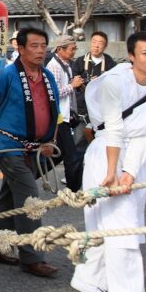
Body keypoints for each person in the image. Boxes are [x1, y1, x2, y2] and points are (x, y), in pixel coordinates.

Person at [70, 32, 146, 292]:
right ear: (132, 56)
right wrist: (113, 173)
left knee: (124, 220)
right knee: (117, 223)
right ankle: (121, 290)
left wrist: (130, 172)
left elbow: (145, 135)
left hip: (134, 157)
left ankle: (88, 278)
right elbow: (113, 129)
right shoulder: (114, 81)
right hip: (106, 152)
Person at [0, 27, 60, 278]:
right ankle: (32, 257)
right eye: (34, 46)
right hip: (7, 146)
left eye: (43, 46)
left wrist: (50, 140)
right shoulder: (7, 76)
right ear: (20, 48)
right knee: (29, 197)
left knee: (9, 198)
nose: (40, 51)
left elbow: (54, 114)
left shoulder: (48, 77)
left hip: (33, 147)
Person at [46, 35, 84, 190]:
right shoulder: (54, 66)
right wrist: (72, 86)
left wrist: (75, 85)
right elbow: (52, 94)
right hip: (58, 117)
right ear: (60, 49)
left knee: (61, 154)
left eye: (75, 48)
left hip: (65, 116)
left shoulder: (66, 65)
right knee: (72, 156)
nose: (74, 51)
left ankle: (30, 174)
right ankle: (73, 190)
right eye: (72, 48)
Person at [72, 31, 117, 157]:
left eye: (100, 43)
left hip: (101, 111)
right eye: (94, 42)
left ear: (105, 46)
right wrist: (88, 82)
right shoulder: (80, 61)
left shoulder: (109, 63)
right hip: (82, 110)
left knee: (100, 143)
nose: (96, 46)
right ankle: (77, 176)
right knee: (78, 144)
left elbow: (114, 83)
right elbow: (74, 82)